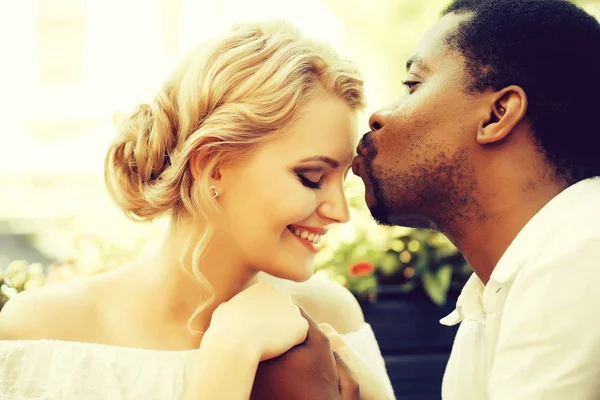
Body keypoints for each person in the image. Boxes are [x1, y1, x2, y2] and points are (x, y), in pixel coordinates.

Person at [0, 20, 394, 399]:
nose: (340, 212)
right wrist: (230, 358)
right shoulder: (45, 334)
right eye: (311, 177)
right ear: (212, 165)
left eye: (344, 179)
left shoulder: (332, 317)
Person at [259, 0, 600, 399]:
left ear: (497, 114)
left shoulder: (580, 252)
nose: (378, 116)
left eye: (413, 85)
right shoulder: (488, 301)